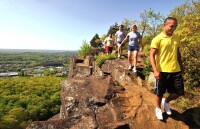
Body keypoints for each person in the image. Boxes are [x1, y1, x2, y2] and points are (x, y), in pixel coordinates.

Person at [150, 17, 184, 120]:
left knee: (178, 92)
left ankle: (166, 101)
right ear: (164, 25)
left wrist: (181, 65)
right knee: (159, 92)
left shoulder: (177, 37)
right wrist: (155, 70)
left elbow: (177, 52)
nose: (173, 28)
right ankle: (158, 108)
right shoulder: (157, 39)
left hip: (176, 70)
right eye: (171, 26)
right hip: (162, 71)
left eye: (175, 26)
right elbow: (151, 55)